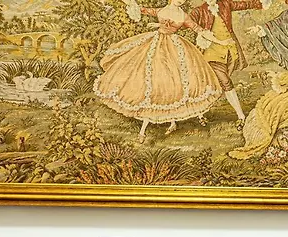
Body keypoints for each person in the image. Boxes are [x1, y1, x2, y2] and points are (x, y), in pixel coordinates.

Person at [93, 0, 227, 143]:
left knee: (173, 83)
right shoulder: (161, 10)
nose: (181, 0)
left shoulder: (183, 16)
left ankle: (171, 121)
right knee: (152, 83)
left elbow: (199, 30)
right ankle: (144, 129)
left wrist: (220, 42)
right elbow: (139, 8)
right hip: (155, 45)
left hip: (174, 48)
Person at [188, 0, 269, 130]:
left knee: (214, 83)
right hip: (211, 53)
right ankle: (241, 116)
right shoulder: (198, 11)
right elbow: (184, 22)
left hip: (229, 50)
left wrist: (260, 3)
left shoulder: (225, 4)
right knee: (225, 82)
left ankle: (200, 113)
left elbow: (243, 4)